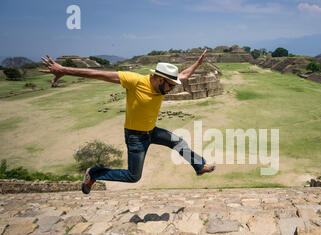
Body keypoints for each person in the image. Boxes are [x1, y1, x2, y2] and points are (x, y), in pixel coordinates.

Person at [40, 50, 215, 194]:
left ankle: (198, 167)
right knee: (133, 176)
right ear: (160, 79)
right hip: (135, 137)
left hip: (151, 131)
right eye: (170, 86)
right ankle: (94, 173)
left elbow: (183, 75)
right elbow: (98, 74)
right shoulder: (135, 81)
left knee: (178, 142)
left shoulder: (165, 83)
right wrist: (64, 69)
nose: (171, 90)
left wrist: (197, 63)